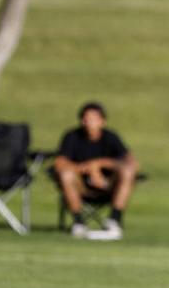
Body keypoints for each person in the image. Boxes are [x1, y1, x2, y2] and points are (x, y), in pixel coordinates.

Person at [53, 102, 140, 240]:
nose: (89, 123)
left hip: (109, 186)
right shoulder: (72, 137)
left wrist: (99, 164)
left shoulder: (111, 138)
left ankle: (114, 220)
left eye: (94, 119)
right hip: (81, 187)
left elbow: (132, 163)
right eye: (86, 119)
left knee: (128, 171)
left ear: (102, 121)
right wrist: (87, 168)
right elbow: (59, 163)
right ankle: (78, 222)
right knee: (66, 174)